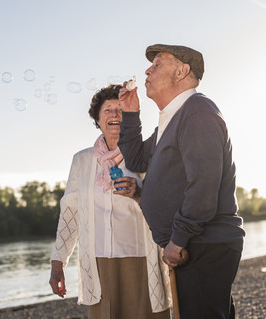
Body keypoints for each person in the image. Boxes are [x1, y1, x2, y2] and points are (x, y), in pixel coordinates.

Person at [118, 44, 245, 318]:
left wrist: (179, 239)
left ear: (182, 71)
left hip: (202, 244)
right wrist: (130, 114)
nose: (147, 70)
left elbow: (203, 184)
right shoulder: (173, 118)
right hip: (195, 245)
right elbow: (137, 160)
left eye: (158, 64)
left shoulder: (197, 111)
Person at [49, 84, 171, 319]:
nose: (115, 115)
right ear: (97, 119)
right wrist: (58, 265)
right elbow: (70, 216)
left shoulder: (147, 155)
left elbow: (165, 206)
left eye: (120, 109)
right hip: (98, 262)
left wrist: (139, 194)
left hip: (142, 259)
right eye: (108, 110)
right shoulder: (82, 161)